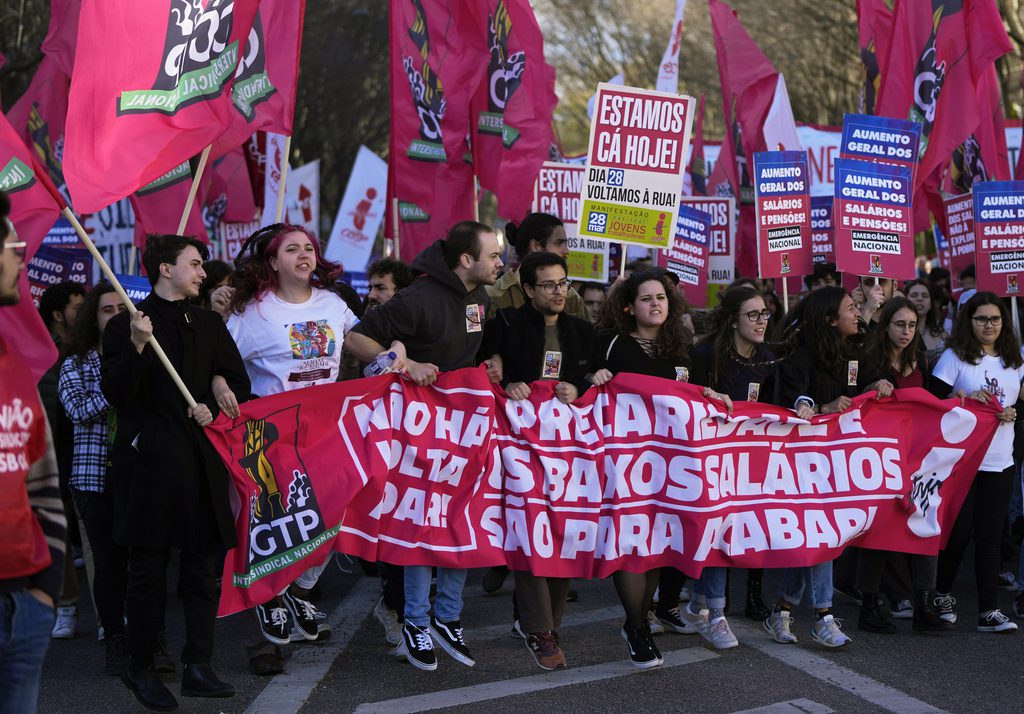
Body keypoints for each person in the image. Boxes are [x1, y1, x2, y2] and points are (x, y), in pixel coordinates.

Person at [344, 220, 503, 672]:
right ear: (466, 260)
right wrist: (405, 362)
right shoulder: (418, 297)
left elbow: (467, 350)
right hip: (416, 431)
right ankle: (415, 621)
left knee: (462, 520)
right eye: (493, 255)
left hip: (462, 430)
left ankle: (448, 618)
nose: (500, 263)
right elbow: (357, 338)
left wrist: (489, 363)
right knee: (420, 524)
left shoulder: (481, 297)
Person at [101, 234, 251, 710]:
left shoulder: (207, 321)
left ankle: (198, 665)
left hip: (199, 460)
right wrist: (138, 347)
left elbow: (237, 381)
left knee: (203, 566)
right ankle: (141, 667)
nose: (203, 272)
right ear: (165, 269)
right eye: (195, 263)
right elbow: (118, 395)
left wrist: (217, 391)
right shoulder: (129, 323)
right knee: (146, 570)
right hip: (149, 461)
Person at [212, 224, 359, 673]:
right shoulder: (251, 312)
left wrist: (396, 358)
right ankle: (264, 638)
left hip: (322, 431)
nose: (304, 254)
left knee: (335, 514)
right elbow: (219, 361)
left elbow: (356, 341)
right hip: (268, 436)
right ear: (272, 262)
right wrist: (219, 383)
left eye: (309, 248)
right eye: (291, 248)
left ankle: (299, 589)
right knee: (267, 528)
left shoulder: (332, 303)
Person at [589, 270, 733, 668]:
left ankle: (642, 617)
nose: (655, 304)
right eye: (646, 298)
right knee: (629, 545)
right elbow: (581, 387)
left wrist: (712, 394)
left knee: (655, 548)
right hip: (624, 464)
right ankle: (636, 628)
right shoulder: (610, 344)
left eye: (661, 298)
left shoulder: (682, 346)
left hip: (670, 468)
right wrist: (593, 376)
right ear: (628, 306)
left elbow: (699, 393)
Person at [479, 251, 596, 671]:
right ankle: (539, 630)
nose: (559, 291)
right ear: (528, 290)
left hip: (569, 456)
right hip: (520, 449)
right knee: (532, 533)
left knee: (564, 531)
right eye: (548, 285)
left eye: (563, 283)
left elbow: (603, 376)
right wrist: (504, 378)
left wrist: (581, 385)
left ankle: (549, 622)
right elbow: (481, 367)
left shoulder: (583, 330)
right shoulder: (504, 325)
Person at [678, 285, 777, 649]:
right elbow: (685, 396)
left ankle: (697, 604)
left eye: (765, 313)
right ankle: (716, 615)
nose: (762, 321)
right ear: (733, 320)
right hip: (705, 460)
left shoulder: (767, 357)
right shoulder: (704, 354)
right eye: (753, 315)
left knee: (732, 530)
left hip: (749, 463)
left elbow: (775, 407)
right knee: (716, 529)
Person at [0, 191, 68, 712]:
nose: (19, 254)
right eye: (9, 244)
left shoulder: (14, 363)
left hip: (24, 599)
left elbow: (41, 480)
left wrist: (45, 590)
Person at [768, 286, 861, 648]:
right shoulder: (800, 354)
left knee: (817, 537)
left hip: (835, 460)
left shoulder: (851, 348)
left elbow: (860, 386)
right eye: (850, 308)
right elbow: (797, 398)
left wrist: (877, 385)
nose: (856, 314)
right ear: (829, 320)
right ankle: (823, 617)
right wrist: (818, 407)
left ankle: (781, 610)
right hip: (802, 462)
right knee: (822, 534)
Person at [853, 297, 951, 634]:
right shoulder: (870, 360)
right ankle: (869, 606)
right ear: (886, 326)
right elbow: (852, 398)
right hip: (881, 460)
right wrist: (871, 388)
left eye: (911, 325)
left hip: (918, 458)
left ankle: (924, 604)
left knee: (925, 524)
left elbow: (936, 405)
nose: (907, 331)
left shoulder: (922, 360)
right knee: (879, 532)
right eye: (899, 324)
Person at [931, 291, 1023, 633]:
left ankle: (988, 612)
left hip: (1000, 461)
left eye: (995, 319)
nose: (989, 325)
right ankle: (940, 594)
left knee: (990, 537)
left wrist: (1014, 412)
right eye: (982, 319)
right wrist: (963, 397)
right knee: (957, 534)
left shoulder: (1015, 359)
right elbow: (932, 400)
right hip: (961, 462)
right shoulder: (955, 357)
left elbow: (1021, 403)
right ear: (969, 321)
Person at [58, 283, 134, 675]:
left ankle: (146, 639)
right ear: (93, 318)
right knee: (106, 564)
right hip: (93, 479)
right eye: (107, 310)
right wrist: (119, 385)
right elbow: (79, 410)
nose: (117, 315)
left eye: (123, 308)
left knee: (140, 561)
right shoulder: (76, 363)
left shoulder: (143, 355)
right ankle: (114, 635)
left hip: (137, 474)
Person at [361, 258, 415, 648]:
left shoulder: (416, 330)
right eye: (372, 286)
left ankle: (397, 610)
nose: (372, 295)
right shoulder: (359, 329)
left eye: (381, 288)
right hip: (366, 440)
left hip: (408, 444)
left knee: (402, 530)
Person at [37, 280, 86, 640]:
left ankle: (109, 619)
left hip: (84, 453)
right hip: (52, 455)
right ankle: (67, 605)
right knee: (59, 534)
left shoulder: (89, 348)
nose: (82, 311)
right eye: (76, 305)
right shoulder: (37, 352)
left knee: (94, 539)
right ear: (57, 314)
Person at [486, 212, 588, 320]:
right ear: (536, 246)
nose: (567, 251)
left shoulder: (571, 297)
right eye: (559, 243)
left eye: (566, 244)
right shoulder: (492, 295)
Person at [904, 279, 948, 366]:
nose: (920, 299)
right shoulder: (898, 333)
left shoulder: (943, 334)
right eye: (914, 295)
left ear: (931, 303)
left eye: (925, 296)